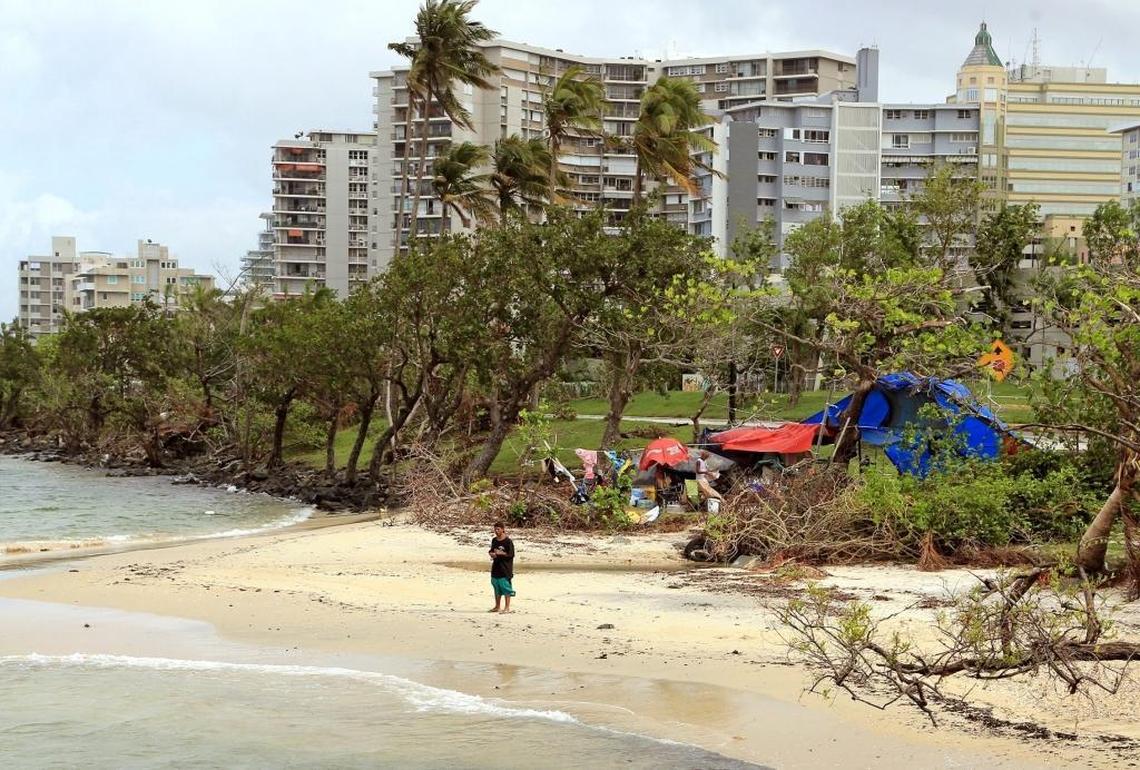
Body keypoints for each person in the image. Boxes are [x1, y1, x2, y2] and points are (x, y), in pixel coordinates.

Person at [488, 521, 516, 613]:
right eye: (495, 529)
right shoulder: (494, 540)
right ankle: (497, 606)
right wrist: (491, 554)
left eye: (498, 529)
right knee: (496, 586)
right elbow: (491, 550)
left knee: (506, 588)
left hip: (505, 568)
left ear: (503, 530)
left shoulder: (508, 542)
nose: (496, 531)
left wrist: (502, 553)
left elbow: (511, 555)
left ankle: (507, 607)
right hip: (496, 567)